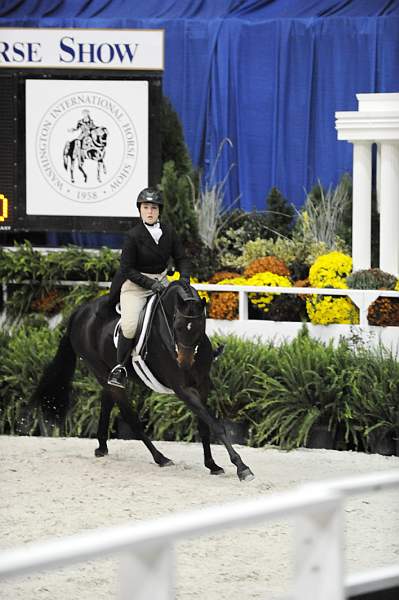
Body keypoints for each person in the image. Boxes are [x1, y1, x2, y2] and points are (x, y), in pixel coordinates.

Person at [107, 187, 191, 388]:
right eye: (146, 207)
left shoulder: (169, 232)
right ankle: (120, 368)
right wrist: (150, 284)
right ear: (140, 211)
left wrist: (185, 280)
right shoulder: (133, 235)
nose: (150, 211)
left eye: (153, 208)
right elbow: (126, 269)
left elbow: (182, 258)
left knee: (186, 314)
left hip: (163, 282)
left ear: (159, 211)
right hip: (137, 285)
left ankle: (197, 352)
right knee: (130, 325)